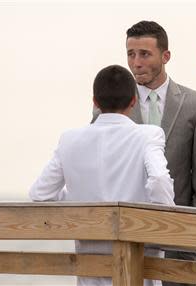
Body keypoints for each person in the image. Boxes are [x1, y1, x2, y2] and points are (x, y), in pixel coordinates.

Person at [92, 22, 196, 285]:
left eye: (144, 54)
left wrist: (192, 242)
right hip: (124, 245)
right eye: (130, 54)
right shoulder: (106, 107)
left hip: (178, 248)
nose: (135, 62)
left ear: (165, 56)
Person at [30, 64, 175, 286]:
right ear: (133, 101)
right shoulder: (148, 135)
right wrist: (164, 226)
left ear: (95, 102)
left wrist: (75, 200)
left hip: (90, 269)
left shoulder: (69, 139)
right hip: (139, 268)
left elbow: (40, 194)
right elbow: (159, 180)